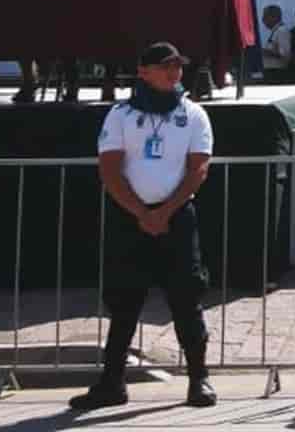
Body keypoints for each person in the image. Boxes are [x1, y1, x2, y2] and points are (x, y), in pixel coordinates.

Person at [69, 43, 217, 411]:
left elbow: (198, 168)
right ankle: (111, 382)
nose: (174, 73)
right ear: (144, 72)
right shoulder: (120, 115)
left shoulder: (193, 114)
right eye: (165, 67)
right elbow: (110, 168)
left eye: (178, 67)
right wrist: (141, 212)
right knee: (124, 300)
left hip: (177, 218)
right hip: (128, 218)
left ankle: (199, 378)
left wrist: (165, 212)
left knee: (186, 298)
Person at [259, 4, 291, 81]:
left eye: (265, 17)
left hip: (276, 72)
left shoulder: (282, 31)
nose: (263, 20)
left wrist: (264, 51)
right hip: (270, 71)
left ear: (274, 17)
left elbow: (285, 55)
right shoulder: (275, 31)